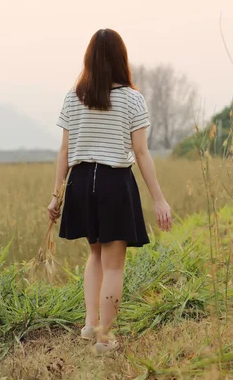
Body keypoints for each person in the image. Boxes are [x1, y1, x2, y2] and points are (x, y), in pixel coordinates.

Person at [47, 29, 172, 355]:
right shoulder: (132, 99)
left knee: (95, 254)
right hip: (114, 183)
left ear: (89, 58)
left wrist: (56, 195)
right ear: (121, 58)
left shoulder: (74, 96)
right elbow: (141, 153)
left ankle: (90, 325)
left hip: (80, 183)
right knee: (114, 264)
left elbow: (64, 151)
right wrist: (159, 198)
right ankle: (104, 338)